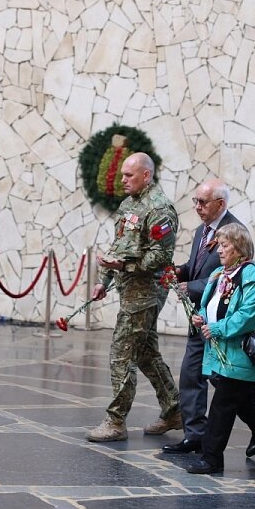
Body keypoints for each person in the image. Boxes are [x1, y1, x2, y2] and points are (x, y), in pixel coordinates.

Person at [163, 179, 255, 456]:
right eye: (196, 201)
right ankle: (195, 435)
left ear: (220, 204)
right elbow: (199, 268)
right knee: (192, 376)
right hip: (202, 320)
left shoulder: (235, 232)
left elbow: (232, 277)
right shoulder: (202, 231)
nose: (197, 207)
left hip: (224, 327)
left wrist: (191, 287)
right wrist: (180, 271)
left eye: (203, 202)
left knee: (231, 389)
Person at [86, 152, 183, 442]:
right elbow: (119, 245)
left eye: (129, 175)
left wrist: (124, 267)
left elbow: (160, 256)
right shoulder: (129, 204)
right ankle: (174, 410)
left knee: (122, 354)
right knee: (146, 354)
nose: (123, 180)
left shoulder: (160, 209)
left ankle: (116, 421)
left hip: (146, 293)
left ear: (146, 175)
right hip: (128, 289)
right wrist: (104, 280)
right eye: (123, 175)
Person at [186, 223, 255, 475]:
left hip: (240, 352)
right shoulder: (220, 274)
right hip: (222, 350)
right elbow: (210, 305)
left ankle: (211, 458)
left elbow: (250, 315)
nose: (219, 250)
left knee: (223, 403)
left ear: (239, 248)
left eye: (224, 245)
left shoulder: (251, 274)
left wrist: (218, 328)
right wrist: (201, 317)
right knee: (245, 402)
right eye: (219, 245)